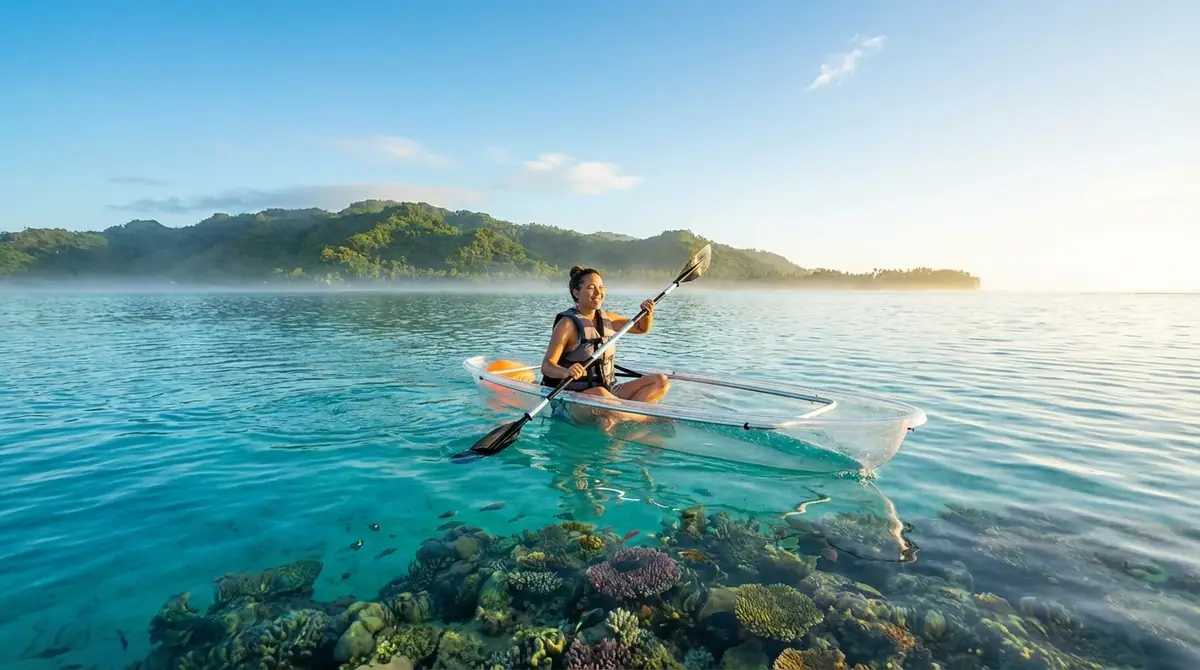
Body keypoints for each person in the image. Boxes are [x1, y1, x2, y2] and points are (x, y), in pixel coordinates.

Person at [540, 265, 671, 428]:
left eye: (601, 287)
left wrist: (648, 314)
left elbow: (641, 328)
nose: (598, 293)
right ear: (576, 293)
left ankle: (618, 416)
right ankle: (645, 420)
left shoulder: (607, 318)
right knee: (600, 396)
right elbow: (546, 366)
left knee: (660, 381)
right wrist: (566, 371)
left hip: (609, 390)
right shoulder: (567, 324)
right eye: (591, 288)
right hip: (573, 399)